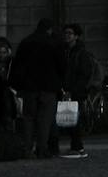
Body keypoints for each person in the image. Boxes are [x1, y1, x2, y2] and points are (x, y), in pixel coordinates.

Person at [10, 18, 67, 159]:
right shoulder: (54, 44)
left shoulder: (26, 42)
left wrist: (18, 85)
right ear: (49, 29)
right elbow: (62, 66)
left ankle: (27, 149)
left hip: (30, 87)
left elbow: (18, 65)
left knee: (28, 118)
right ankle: (42, 148)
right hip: (48, 87)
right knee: (45, 119)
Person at [61, 23, 98, 158]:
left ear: (76, 36)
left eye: (70, 33)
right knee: (69, 119)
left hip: (76, 91)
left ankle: (78, 147)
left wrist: (74, 90)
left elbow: (84, 74)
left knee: (74, 119)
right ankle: (76, 146)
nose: (67, 36)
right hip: (68, 90)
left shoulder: (81, 53)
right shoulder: (67, 51)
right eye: (65, 33)